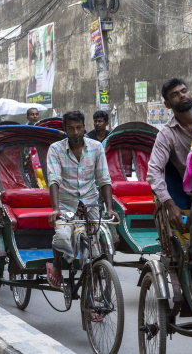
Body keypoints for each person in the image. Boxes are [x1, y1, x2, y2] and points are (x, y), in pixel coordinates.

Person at [147, 78, 192, 313]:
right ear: (168, 104)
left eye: (184, 91)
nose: (182, 96)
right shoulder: (167, 134)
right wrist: (170, 204)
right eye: (175, 94)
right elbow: (153, 172)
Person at [46, 111, 119, 289]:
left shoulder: (96, 147)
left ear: (84, 127)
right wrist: (56, 209)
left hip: (90, 202)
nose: (76, 132)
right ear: (65, 129)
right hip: (66, 203)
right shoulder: (55, 149)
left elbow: (104, 179)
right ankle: (57, 263)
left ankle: (93, 283)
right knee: (62, 236)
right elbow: (54, 179)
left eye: (79, 128)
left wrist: (109, 208)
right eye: (71, 128)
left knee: (94, 247)